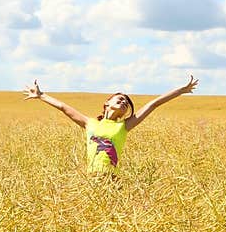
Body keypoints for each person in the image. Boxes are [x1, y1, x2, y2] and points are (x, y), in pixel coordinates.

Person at [22, 75, 199, 175]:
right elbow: (63, 107)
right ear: (107, 103)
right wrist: (41, 95)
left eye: (126, 104)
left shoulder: (124, 126)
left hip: (112, 179)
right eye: (120, 99)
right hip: (90, 178)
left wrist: (181, 91)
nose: (123, 103)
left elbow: (153, 104)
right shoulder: (89, 123)